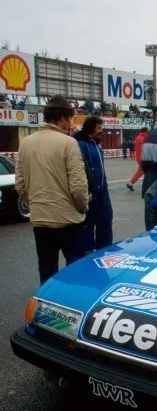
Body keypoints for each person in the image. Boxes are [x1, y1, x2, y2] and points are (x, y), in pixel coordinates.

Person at [15, 95, 89, 284]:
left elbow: (20, 185)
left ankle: (47, 307)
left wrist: (36, 204)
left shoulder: (25, 143)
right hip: (69, 220)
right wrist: (83, 207)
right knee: (76, 269)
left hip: (40, 220)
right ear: (63, 118)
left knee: (47, 268)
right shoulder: (68, 143)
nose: (69, 124)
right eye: (69, 119)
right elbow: (79, 187)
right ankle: (73, 307)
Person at [73, 116, 113, 253]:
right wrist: (87, 190)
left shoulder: (95, 144)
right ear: (91, 128)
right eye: (99, 128)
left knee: (106, 219)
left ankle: (104, 249)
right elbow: (80, 169)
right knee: (88, 223)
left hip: (103, 190)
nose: (101, 131)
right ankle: (87, 250)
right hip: (90, 191)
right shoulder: (80, 144)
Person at [126, 127, 148, 191]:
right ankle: (148, 185)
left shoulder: (138, 138)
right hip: (143, 158)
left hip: (139, 157)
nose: (148, 133)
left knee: (141, 171)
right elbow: (145, 148)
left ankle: (130, 183)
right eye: (147, 132)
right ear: (144, 132)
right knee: (147, 172)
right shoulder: (143, 138)